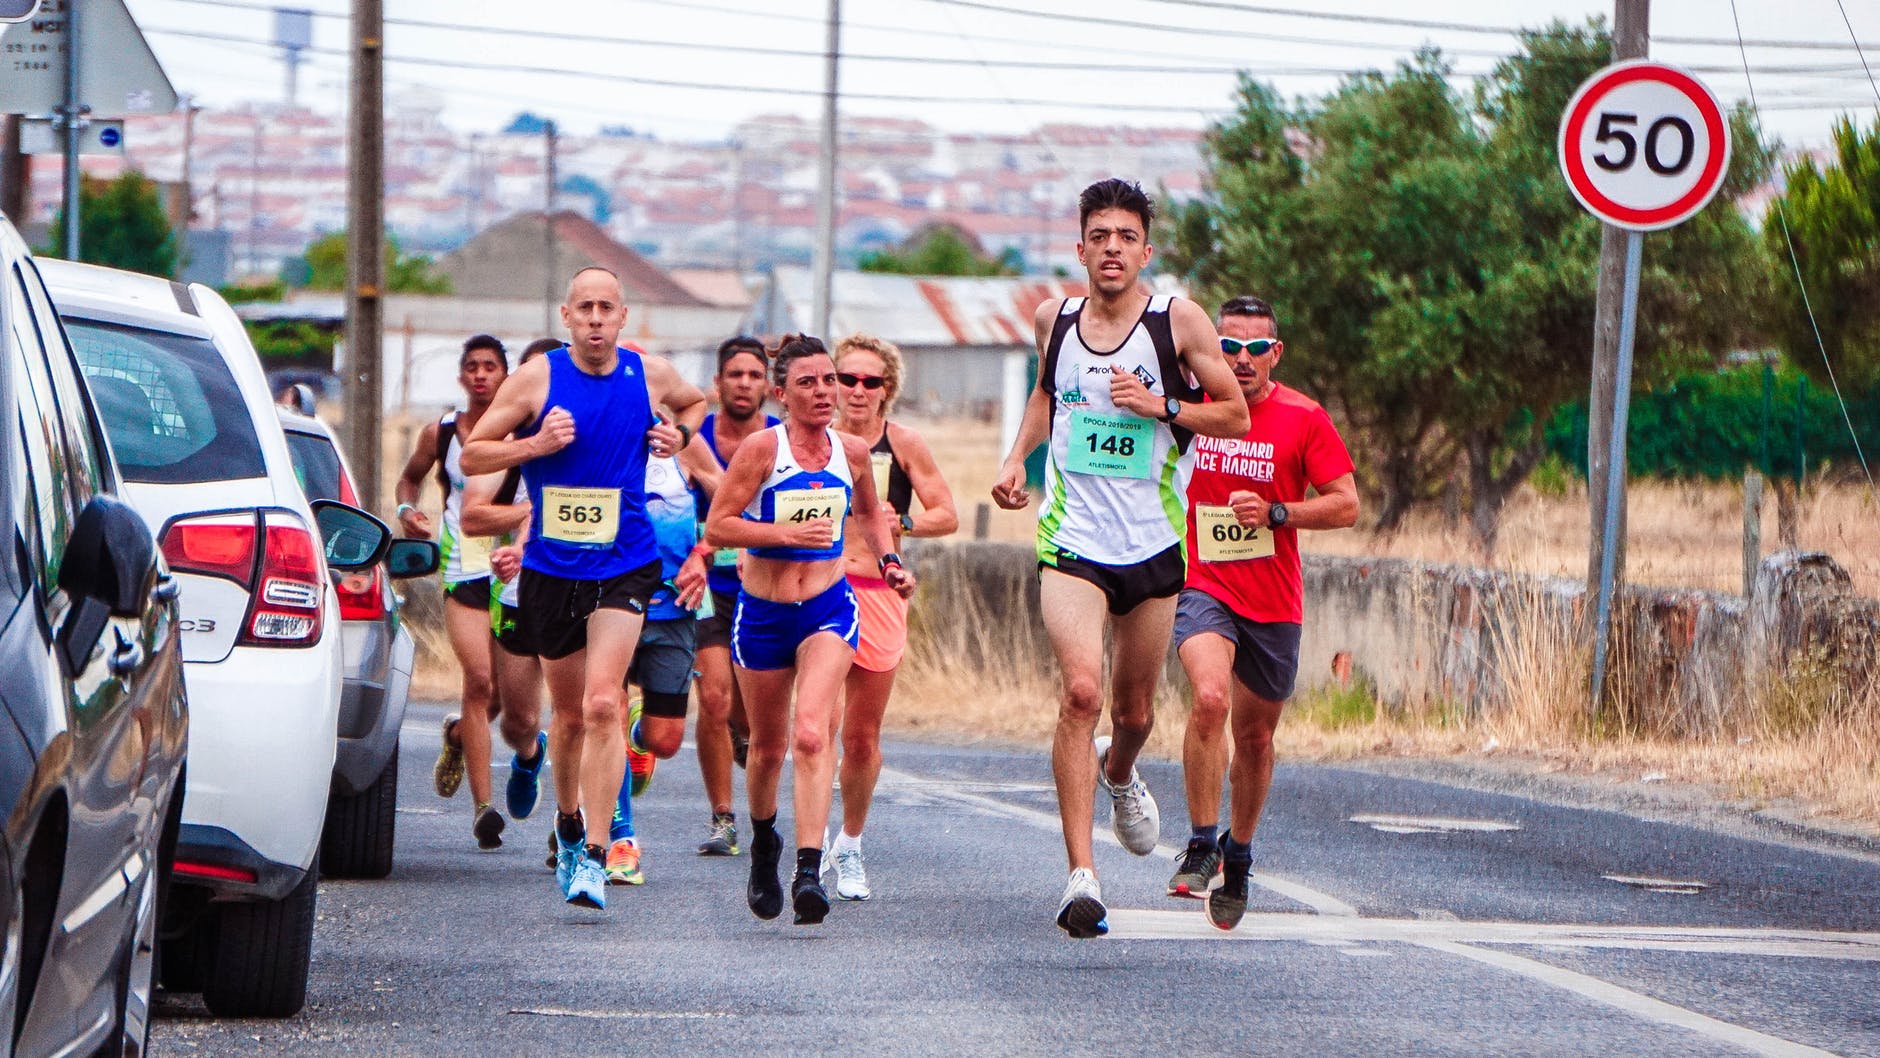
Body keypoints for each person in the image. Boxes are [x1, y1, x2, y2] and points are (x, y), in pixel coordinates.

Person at [990, 178, 1249, 938]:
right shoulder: (1055, 319)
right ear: (1080, 248)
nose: (1111, 249)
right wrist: (1015, 459)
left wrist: (1162, 406)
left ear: (1145, 250)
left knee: (1134, 712)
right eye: (1098, 236)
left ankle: (1121, 771)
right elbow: (1047, 396)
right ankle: (1081, 877)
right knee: (1080, 693)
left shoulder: (1178, 322)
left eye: (1125, 237)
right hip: (1071, 540)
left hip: (1153, 542)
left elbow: (1233, 412)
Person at [460, 268, 707, 910]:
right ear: (566, 317)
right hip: (551, 571)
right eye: (585, 309)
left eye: (607, 308)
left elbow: (695, 404)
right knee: (567, 718)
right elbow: (473, 456)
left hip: (625, 562)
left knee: (603, 705)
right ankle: (567, 823)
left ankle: (598, 853)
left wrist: (677, 438)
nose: (596, 319)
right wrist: (536, 444)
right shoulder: (538, 379)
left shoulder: (646, 374)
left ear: (624, 318)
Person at [704, 335, 914, 926]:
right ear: (781, 393)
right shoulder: (760, 450)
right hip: (763, 613)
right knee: (767, 749)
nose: (824, 392)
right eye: (808, 383)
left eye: (829, 380)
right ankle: (765, 843)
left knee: (814, 734)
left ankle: (807, 867)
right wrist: (781, 536)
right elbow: (719, 525)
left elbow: (871, 512)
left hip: (827, 606)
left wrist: (891, 562)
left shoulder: (851, 450)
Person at [1167, 296, 1358, 930]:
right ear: (1211, 348)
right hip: (1203, 583)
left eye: (1254, 349)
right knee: (1210, 698)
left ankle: (1239, 855)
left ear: (1275, 354)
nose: (1240, 361)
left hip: (1273, 600)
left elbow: (1346, 505)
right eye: (1228, 347)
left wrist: (1279, 513)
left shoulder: (1304, 417)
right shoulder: (1191, 412)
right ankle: (1200, 841)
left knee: (1254, 739)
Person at [825, 333, 957, 900]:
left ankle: (850, 843)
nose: (857, 391)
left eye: (870, 381)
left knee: (860, 738)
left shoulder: (902, 444)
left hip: (879, 591)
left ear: (887, 390)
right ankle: (810, 847)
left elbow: (946, 513)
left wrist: (902, 524)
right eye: (847, 379)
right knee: (815, 729)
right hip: (821, 589)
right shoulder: (812, 442)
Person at [395, 334, 540, 849]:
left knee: (509, 704)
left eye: (490, 368)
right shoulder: (443, 433)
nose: (480, 376)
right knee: (478, 682)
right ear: (461, 376)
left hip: (519, 569)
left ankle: (464, 737)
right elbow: (409, 480)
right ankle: (484, 808)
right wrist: (405, 511)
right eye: (472, 367)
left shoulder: (526, 430)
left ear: (506, 377)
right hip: (464, 566)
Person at [459, 338, 565, 847]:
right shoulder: (511, 446)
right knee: (519, 719)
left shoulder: (597, 437)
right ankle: (528, 756)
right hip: (520, 591)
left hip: (587, 590)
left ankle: (574, 825)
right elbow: (472, 516)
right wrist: (533, 515)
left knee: (589, 708)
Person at [690, 337, 779, 857]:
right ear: (718, 383)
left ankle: (745, 743)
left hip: (761, 585)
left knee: (748, 717)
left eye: (753, 375)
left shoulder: (780, 439)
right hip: (706, 587)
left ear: (768, 385)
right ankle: (723, 816)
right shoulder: (695, 435)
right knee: (715, 699)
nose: (744, 384)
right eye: (734, 375)